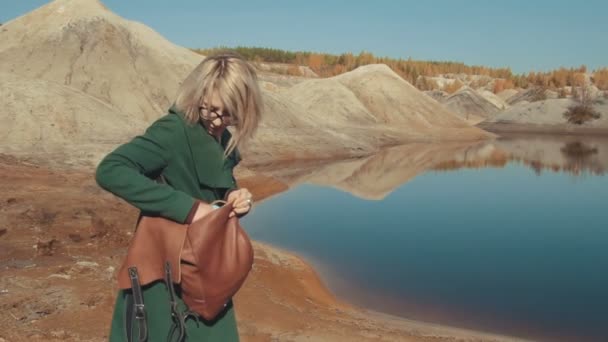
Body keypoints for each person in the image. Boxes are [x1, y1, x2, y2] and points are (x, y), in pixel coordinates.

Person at [95, 51, 263, 341]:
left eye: (229, 114)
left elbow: (214, 184)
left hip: (206, 266)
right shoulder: (174, 130)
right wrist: (189, 209)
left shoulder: (222, 136)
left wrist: (235, 196)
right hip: (167, 271)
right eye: (211, 109)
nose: (217, 121)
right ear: (198, 95)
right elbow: (110, 169)